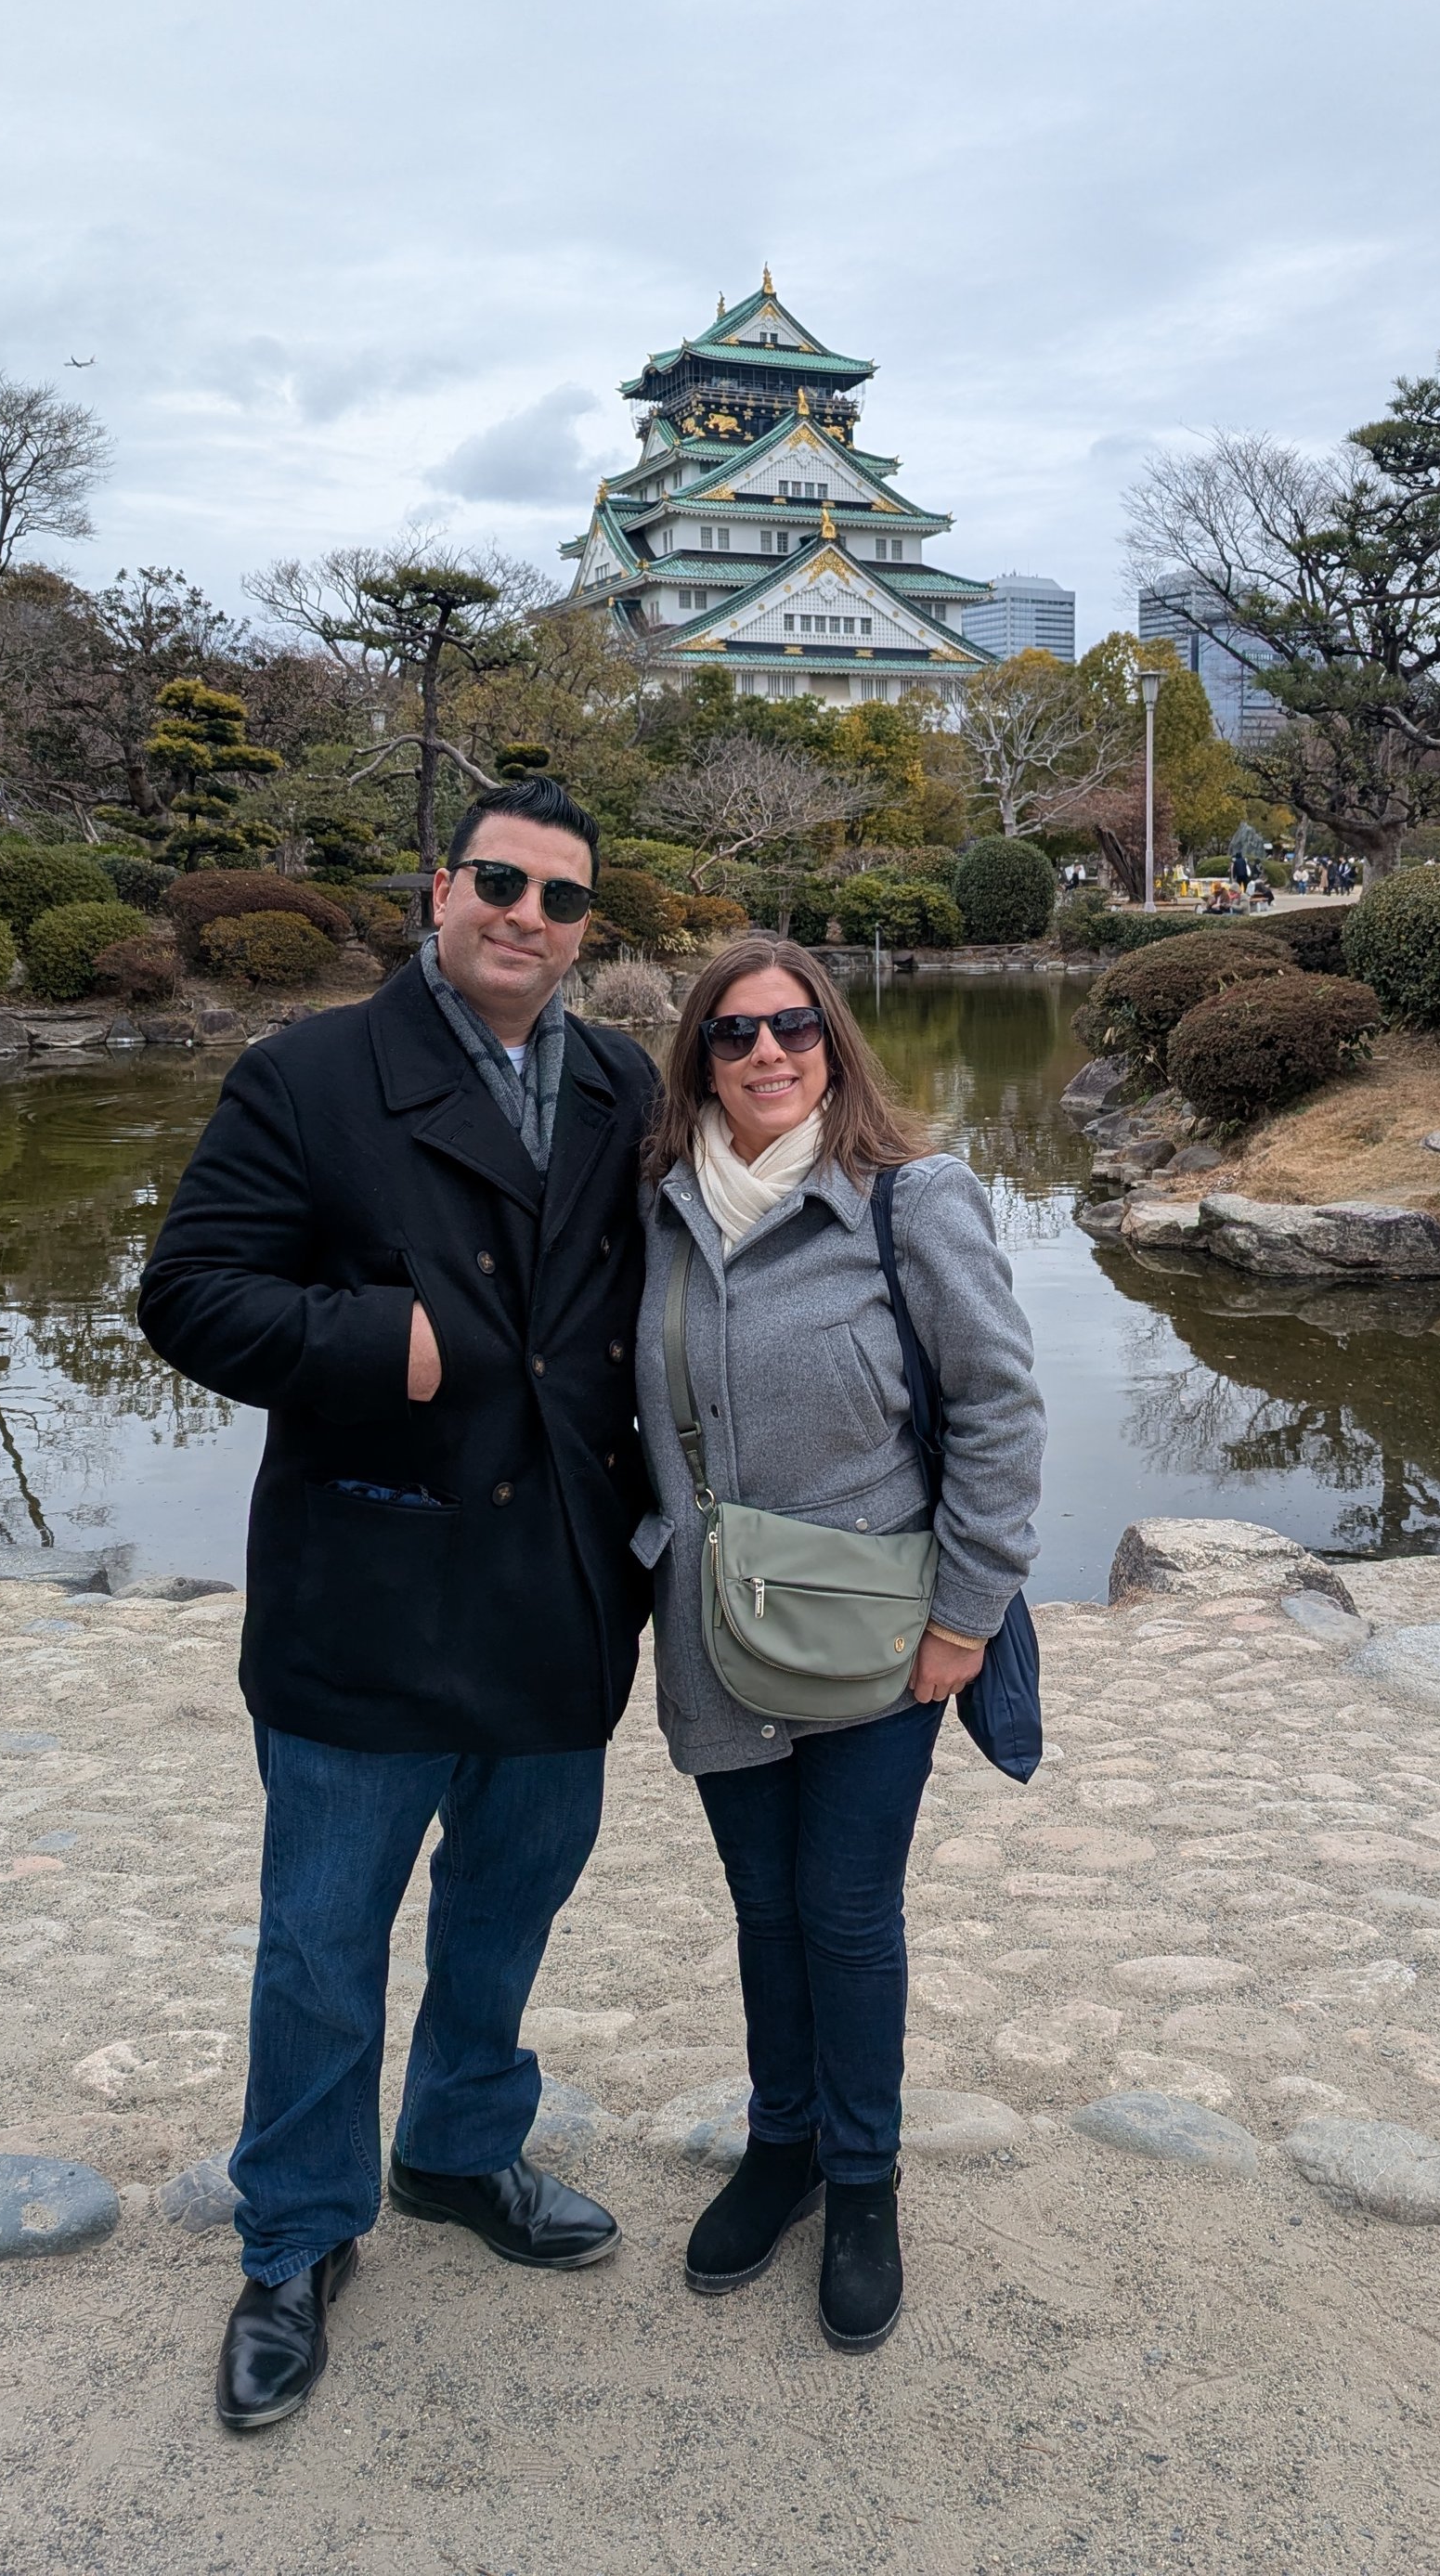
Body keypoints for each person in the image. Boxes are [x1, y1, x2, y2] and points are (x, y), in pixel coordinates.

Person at [137, 775, 657, 2435]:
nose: (527, 916)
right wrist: (381, 1344)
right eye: (501, 882)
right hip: (371, 1576)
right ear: (440, 888)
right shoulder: (308, 1073)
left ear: (588, 930)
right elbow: (191, 1293)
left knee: (509, 1911)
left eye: (563, 900)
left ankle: (458, 2149)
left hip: (560, 1587)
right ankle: (292, 2236)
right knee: (319, 1942)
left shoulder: (623, 1080)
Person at [633, 934, 1043, 2354]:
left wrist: (967, 1615)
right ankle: (782, 2142)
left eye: (793, 1028)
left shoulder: (908, 1201)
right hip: (715, 1625)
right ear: (698, 1055)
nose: (766, 1055)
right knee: (763, 1908)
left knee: (846, 1908)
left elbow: (997, 1409)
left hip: (877, 1633)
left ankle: (863, 2180)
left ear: (834, 1041)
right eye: (734, 1034)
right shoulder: (663, 1208)